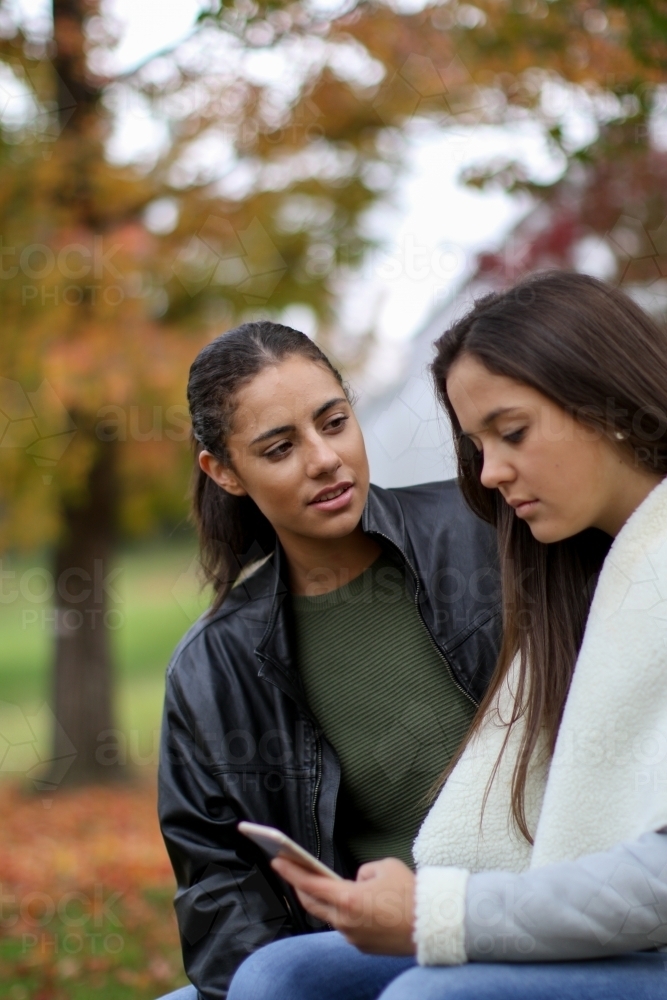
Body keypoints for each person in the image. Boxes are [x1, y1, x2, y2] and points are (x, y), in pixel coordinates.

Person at [226, 271, 667, 1000]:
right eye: (476, 445)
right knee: (279, 975)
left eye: (512, 432)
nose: (490, 473)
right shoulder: (578, 575)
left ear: (607, 401)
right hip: (597, 932)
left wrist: (435, 912)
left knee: (423, 997)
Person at [156, 321, 502, 1000]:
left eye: (334, 422)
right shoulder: (211, 667)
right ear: (223, 472)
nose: (323, 459)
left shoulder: (488, 531)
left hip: (514, 916)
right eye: (280, 448)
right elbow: (218, 887)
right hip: (367, 947)